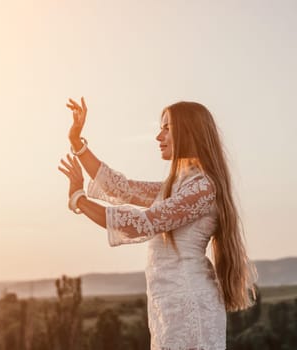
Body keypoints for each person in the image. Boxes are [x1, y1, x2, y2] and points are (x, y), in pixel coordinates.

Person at [58, 97, 256, 349]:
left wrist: (79, 199)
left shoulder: (203, 187)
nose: (158, 136)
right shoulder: (179, 186)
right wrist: (77, 143)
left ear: (188, 132)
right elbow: (122, 188)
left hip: (189, 302)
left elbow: (141, 224)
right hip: (167, 305)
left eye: (166, 128)